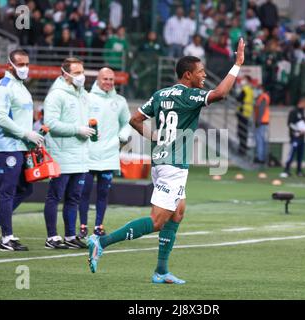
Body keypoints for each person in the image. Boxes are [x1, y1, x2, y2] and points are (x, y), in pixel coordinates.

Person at [86, 39, 246, 284]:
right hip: (172, 165)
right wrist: (236, 65)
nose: (204, 76)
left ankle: (161, 271)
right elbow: (221, 93)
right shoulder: (189, 95)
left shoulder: (160, 94)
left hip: (163, 161)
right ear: (187, 74)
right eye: (201, 72)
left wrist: (154, 136)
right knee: (157, 220)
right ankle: (102, 242)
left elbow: (135, 120)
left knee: (177, 213)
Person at [0, 49, 44, 251]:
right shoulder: (4, 87)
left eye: (26, 64)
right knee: (7, 192)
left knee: (26, 189)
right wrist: (26, 133)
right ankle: (7, 238)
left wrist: (32, 136)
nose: (25, 68)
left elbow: (20, 117)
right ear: (10, 65)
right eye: (21, 64)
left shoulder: (21, 87)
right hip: (7, 147)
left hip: (21, 146)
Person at [43, 57, 94, 249]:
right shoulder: (56, 95)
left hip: (80, 155)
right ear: (65, 74)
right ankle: (52, 237)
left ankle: (70, 236)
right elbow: (51, 124)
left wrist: (89, 128)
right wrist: (77, 129)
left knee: (74, 197)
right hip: (62, 155)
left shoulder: (82, 94)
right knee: (55, 196)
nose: (81, 76)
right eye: (77, 72)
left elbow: (85, 119)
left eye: (82, 71)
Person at [77, 67, 131, 238]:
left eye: (111, 79)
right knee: (83, 192)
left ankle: (99, 226)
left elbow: (127, 123)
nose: (108, 82)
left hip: (109, 154)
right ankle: (83, 226)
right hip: (88, 153)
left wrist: (122, 137)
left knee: (103, 193)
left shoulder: (120, 101)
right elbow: (77, 119)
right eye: (105, 79)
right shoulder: (86, 97)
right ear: (98, 80)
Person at [282, 96, 305, 177]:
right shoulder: (293, 112)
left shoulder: (302, 112)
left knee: (300, 154)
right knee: (292, 153)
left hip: (302, 137)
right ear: (301, 103)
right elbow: (290, 124)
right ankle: (286, 169)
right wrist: (297, 131)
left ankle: (299, 170)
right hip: (295, 137)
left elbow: (303, 123)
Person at [236, 75, 255, 155]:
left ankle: (242, 150)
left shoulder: (245, 89)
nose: (242, 81)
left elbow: (239, 98)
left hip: (243, 112)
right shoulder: (250, 89)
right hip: (247, 112)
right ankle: (243, 149)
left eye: (244, 79)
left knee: (241, 132)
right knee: (244, 131)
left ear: (247, 81)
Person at [253, 84, 270, 164]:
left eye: (258, 89)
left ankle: (260, 158)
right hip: (262, 121)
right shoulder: (261, 97)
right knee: (261, 140)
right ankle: (261, 157)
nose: (256, 91)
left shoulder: (263, 97)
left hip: (262, 122)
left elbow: (261, 110)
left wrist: (258, 121)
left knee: (260, 140)